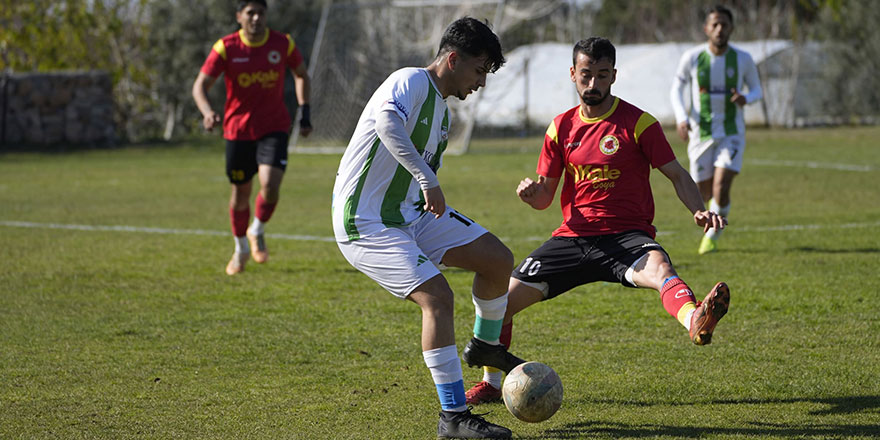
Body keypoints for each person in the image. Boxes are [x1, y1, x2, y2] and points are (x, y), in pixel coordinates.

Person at [465, 37, 731, 405]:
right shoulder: (560, 128)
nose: (593, 84)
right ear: (573, 74)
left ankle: (695, 320)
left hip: (626, 237)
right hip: (572, 239)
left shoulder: (638, 123)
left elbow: (677, 174)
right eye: (586, 75)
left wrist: (697, 209)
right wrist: (531, 193)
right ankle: (492, 384)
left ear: (614, 76)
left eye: (602, 75)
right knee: (500, 303)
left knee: (660, 270)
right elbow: (545, 197)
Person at [331, 17, 523, 439]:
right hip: (366, 222)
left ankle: (487, 347)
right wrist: (427, 179)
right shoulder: (410, 81)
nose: (481, 83)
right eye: (478, 70)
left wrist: (424, 188)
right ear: (453, 59)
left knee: (497, 260)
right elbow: (387, 124)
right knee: (437, 297)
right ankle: (453, 417)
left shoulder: (441, 111)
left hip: (410, 216)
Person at [192, 0, 313, 275]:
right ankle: (240, 249)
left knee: (270, 186)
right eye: (250, 13)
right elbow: (200, 85)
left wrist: (305, 112)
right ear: (239, 17)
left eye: (261, 13)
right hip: (238, 131)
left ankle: (256, 230)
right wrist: (207, 111)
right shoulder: (226, 47)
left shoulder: (283, 44)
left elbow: (302, 75)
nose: (256, 18)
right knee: (241, 192)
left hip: (274, 128)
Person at [670, 5, 762, 255]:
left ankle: (712, 236)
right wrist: (681, 118)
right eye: (715, 25)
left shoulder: (742, 58)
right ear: (706, 29)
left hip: (731, 133)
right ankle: (713, 222)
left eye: (724, 25)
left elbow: (757, 90)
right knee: (704, 192)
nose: (720, 29)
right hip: (701, 134)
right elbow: (676, 89)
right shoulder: (692, 57)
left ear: (731, 28)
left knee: (721, 187)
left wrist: (746, 98)